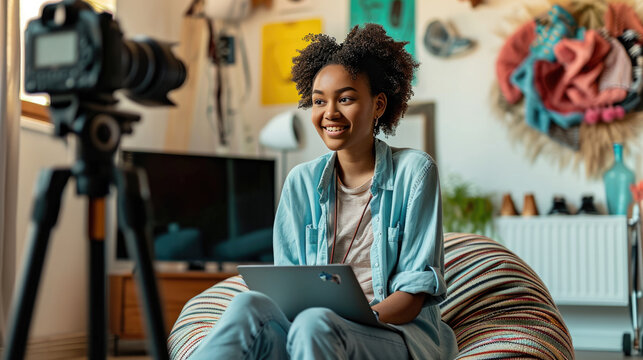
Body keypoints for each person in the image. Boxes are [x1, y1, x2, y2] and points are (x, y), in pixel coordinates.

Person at [191, 23, 458, 360]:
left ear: (378, 105)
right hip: (310, 330)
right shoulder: (300, 181)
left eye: (345, 98)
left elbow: (412, 296)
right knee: (250, 302)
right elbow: (285, 290)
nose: (329, 113)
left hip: (393, 333)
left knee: (315, 322)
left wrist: (352, 319)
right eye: (319, 101)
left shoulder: (415, 173)